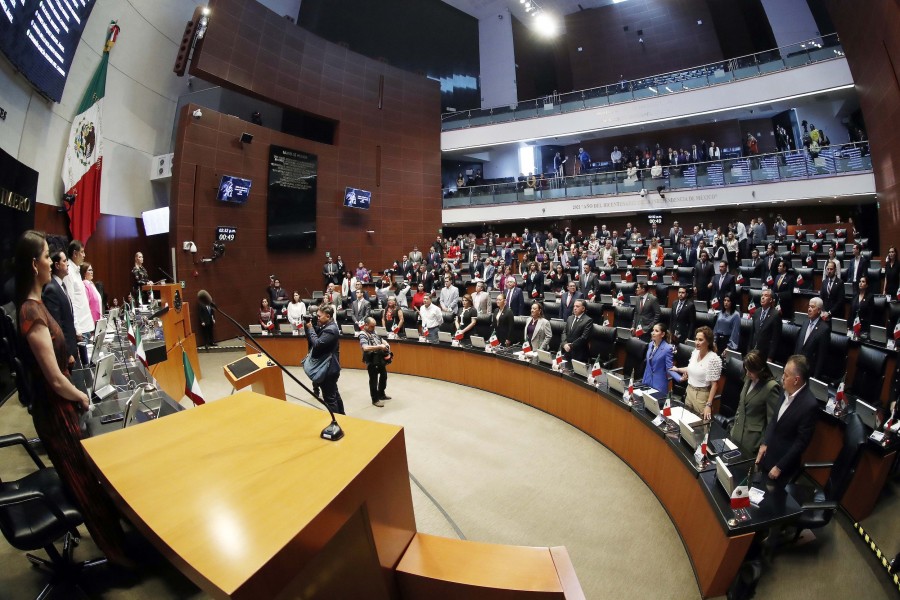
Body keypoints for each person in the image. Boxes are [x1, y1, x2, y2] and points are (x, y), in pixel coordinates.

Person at [15, 230, 131, 566]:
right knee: (86, 486)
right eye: (47, 257)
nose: (52, 262)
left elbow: (52, 357)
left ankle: (119, 544)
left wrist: (65, 356)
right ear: (34, 264)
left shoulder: (36, 305)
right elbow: (52, 379)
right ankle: (119, 558)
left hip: (59, 408)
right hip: (56, 414)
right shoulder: (30, 311)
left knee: (89, 479)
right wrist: (82, 396)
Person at [756, 355, 819, 485]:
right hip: (768, 456)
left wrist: (780, 466)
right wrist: (765, 443)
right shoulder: (784, 390)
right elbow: (774, 419)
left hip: (782, 466)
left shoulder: (809, 405)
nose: (782, 377)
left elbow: (801, 443)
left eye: (786, 375)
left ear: (796, 380)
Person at [730, 350, 782, 455]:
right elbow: (741, 404)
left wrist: (764, 443)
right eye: (746, 369)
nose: (748, 373)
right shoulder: (748, 377)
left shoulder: (770, 387)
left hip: (752, 441)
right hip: (735, 432)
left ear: (760, 369)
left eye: (751, 371)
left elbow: (772, 421)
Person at [671, 326, 722, 420]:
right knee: (686, 422)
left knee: (699, 426)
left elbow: (714, 385)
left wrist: (708, 405)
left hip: (701, 397)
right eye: (696, 339)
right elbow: (691, 369)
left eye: (700, 340)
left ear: (708, 342)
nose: (697, 343)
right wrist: (677, 369)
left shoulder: (713, 359)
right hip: (689, 391)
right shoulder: (695, 352)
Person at [42, 248, 79, 368]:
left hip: (72, 347)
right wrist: (67, 354)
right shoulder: (51, 289)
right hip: (65, 354)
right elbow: (57, 326)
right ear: (57, 265)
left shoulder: (61, 285)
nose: (68, 263)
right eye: (65, 261)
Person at [305, 304, 344, 414]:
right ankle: (343, 417)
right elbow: (315, 334)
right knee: (334, 395)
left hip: (328, 369)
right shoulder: (327, 326)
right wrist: (309, 325)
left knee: (330, 400)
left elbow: (317, 344)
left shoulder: (331, 330)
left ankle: (336, 423)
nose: (317, 318)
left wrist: (310, 328)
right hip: (330, 367)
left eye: (319, 316)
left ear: (327, 316)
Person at [794, 297, 829, 379]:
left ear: (819, 310)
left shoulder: (824, 329)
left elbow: (821, 356)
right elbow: (798, 345)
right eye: (809, 306)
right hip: (797, 366)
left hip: (809, 371)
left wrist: (815, 377)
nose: (809, 309)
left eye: (812, 307)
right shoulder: (805, 322)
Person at [359, 317, 391, 407]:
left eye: (374, 326)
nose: (373, 328)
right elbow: (365, 348)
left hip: (379, 358)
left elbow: (380, 340)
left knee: (384, 376)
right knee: (373, 380)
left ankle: (381, 394)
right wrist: (379, 347)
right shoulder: (363, 334)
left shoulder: (373, 331)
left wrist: (385, 343)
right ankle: (375, 399)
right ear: (366, 325)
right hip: (371, 360)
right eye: (372, 326)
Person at [65, 240, 94, 339]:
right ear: (75, 254)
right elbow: (71, 302)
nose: (84, 255)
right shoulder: (69, 272)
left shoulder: (76, 270)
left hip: (86, 326)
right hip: (80, 329)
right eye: (82, 252)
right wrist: (77, 329)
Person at [749, 289, 781, 361]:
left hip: (765, 353)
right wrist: (749, 350)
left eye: (766, 296)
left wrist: (770, 357)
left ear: (771, 300)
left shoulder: (775, 315)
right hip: (753, 351)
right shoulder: (757, 311)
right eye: (762, 295)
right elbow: (752, 333)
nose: (762, 297)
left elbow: (775, 339)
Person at [642, 323, 673, 392]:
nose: (653, 333)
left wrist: (680, 378)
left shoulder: (667, 348)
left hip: (659, 384)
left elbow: (670, 368)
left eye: (656, 331)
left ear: (662, 334)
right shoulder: (650, 345)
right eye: (653, 330)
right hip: (647, 381)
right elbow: (648, 365)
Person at [561, 299, 593, 363]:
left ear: (583, 308)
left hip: (579, 354)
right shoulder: (570, 318)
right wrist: (564, 344)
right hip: (567, 352)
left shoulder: (588, 320)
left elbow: (584, 337)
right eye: (574, 306)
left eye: (577, 306)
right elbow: (564, 332)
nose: (575, 308)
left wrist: (571, 345)